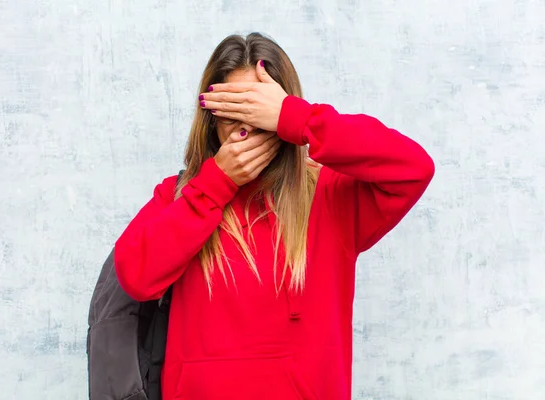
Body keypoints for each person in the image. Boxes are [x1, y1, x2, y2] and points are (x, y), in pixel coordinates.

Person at [114, 32, 435, 400]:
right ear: (211, 119)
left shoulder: (330, 197)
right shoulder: (183, 195)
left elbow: (413, 168)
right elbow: (134, 275)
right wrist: (215, 185)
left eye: (257, 109)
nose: (245, 126)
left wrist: (300, 119)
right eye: (232, 109)